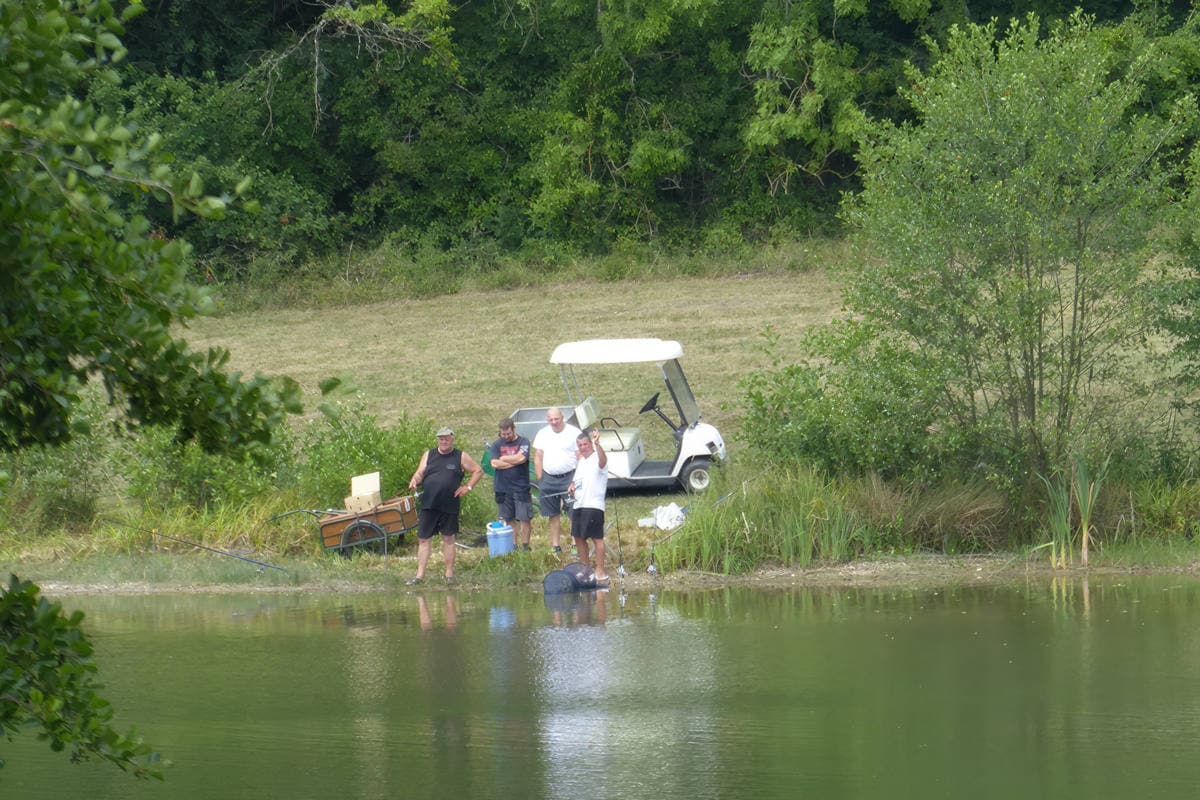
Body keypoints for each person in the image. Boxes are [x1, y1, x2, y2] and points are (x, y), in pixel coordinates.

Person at [407, 426, 483, 585]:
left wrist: (467, 487)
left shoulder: (460, 456)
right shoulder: (429, 454)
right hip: (429, 503)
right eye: (441, 438)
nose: (443, 441)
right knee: (423, 539)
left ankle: (449, 575)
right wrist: (415, 479)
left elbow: (478, 471)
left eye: (446, 438)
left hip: (450, 503)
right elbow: (420, 472)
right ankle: (419, 576)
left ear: (452, 438)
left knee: (448, 538)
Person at [533, 406, 581, 553]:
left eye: (556, 419)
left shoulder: (574, 433)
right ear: (547, 419)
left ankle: (575, 544)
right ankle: (556, 545)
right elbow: (538, 457)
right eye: (551, 419)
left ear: (562, 418)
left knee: (574, 511)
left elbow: (580, 456)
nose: (554, 422)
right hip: (548, 478)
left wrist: (577, 479)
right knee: (552, 514)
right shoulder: (542, 433)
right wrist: (540, 478)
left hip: (569, 477)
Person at [569, 428, 609, 581]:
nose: (582, 447)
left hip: (594, 505)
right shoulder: (581, 462)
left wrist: (597, 443)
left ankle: (600, 570)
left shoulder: (597, 458)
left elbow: (603, 461)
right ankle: (585, 568)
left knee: (597, 538)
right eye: (580, 445)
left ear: (590, 444)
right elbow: (575, 482)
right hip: (579, 504)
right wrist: (572, 488)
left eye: (585, 444)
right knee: (578, 537)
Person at [489, 417, 533, 550]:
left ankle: (525, 545)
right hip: (502, 488)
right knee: (508, 519)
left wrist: (504, 458)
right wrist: (513, 462)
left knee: (524, 518)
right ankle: (513, 545)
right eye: (503, 434)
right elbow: (494, 463)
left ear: (513, 429)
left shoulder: (523, 441)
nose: (506, 437)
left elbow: (522, 458)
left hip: (521, 487)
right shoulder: (496, 445)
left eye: (508, 434)